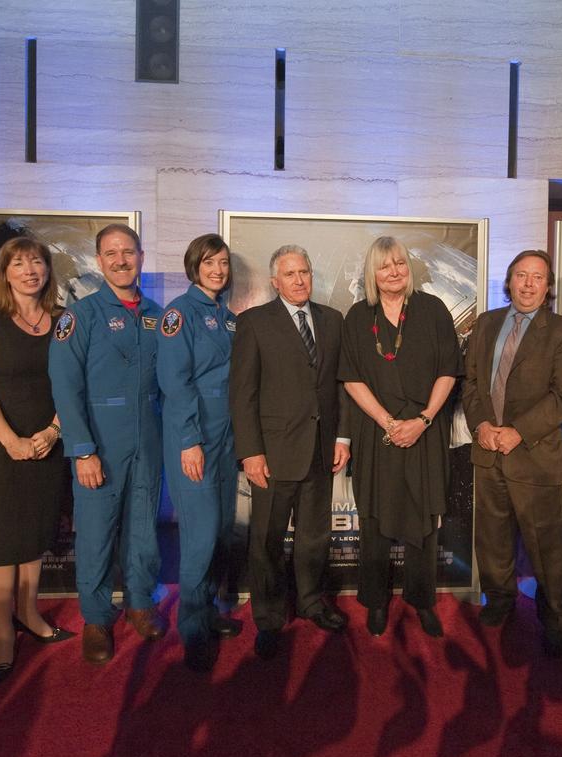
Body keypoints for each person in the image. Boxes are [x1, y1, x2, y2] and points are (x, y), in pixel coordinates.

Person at [48, 224, 167, 665]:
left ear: (141, 255)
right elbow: (65, 386)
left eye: (128, 252)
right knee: (96, 534)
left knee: (143, 530)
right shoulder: (81, 317)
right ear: (99, 261)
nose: (120, 260)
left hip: (148, 442)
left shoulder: (158, 316)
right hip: (99, 443)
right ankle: (97, 618)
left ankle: (139, 602)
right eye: (110, 253)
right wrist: (82, 449)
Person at [0, 236, 74, 683]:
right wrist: (11, 439)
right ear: (3, 271)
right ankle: (3, 632)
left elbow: (74, 381)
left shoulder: (63, 319)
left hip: (47, 442)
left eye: (38, 262)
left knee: (33, 532)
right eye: (19, 263)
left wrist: (53, 430)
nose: (30, 270)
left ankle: (29, 613)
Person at [230, 245, 352, 660]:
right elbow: (242, 394)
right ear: (274, 281)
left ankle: (312, 603)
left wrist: (343, 438)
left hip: (321, 451)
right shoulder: (253, 323)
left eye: (305, 272)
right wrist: (250, 452)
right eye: (291, 274)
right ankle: (267, 618)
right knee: (266, 542)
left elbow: (341, 386)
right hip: (273, 454)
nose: (300, 280)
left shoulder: (333, 321)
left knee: (314, 537)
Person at [339, 236, 462, 638]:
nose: (394, 272)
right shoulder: (359, 316)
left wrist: (424, 419)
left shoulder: (433, 310)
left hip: (425, 431)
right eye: (385, 266)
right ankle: (375, 602)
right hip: (378, 433)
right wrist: (388, 422)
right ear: (372, 274)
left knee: (424, 521)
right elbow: (351, 378)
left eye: (400, 264)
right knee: (374, 520)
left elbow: (448, 370)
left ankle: (422, 600)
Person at [462, 249, 562, 656]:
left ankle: (555, 617)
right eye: (521, 275)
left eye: (537, 277)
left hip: (532, 452)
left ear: (548, 287)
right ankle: (499, 599)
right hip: (488, 449)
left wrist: (517, 432)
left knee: (545, 543)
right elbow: (472, 383)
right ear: (509, 281)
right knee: (493, 537)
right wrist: (480, 426)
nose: (528, 284)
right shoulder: (486, 324)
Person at [158, 233, 243, 672]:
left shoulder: (226, 318)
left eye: (224, 262)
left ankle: (207, 611)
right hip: (195, 438)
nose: (218, 270)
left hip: (226, 437)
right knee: (200, 535)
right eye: (209, 262)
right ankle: (190, 629)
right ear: (194, 266)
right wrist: (189, 440)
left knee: (221, 530)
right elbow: (175, 384)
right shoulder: (179, 314)